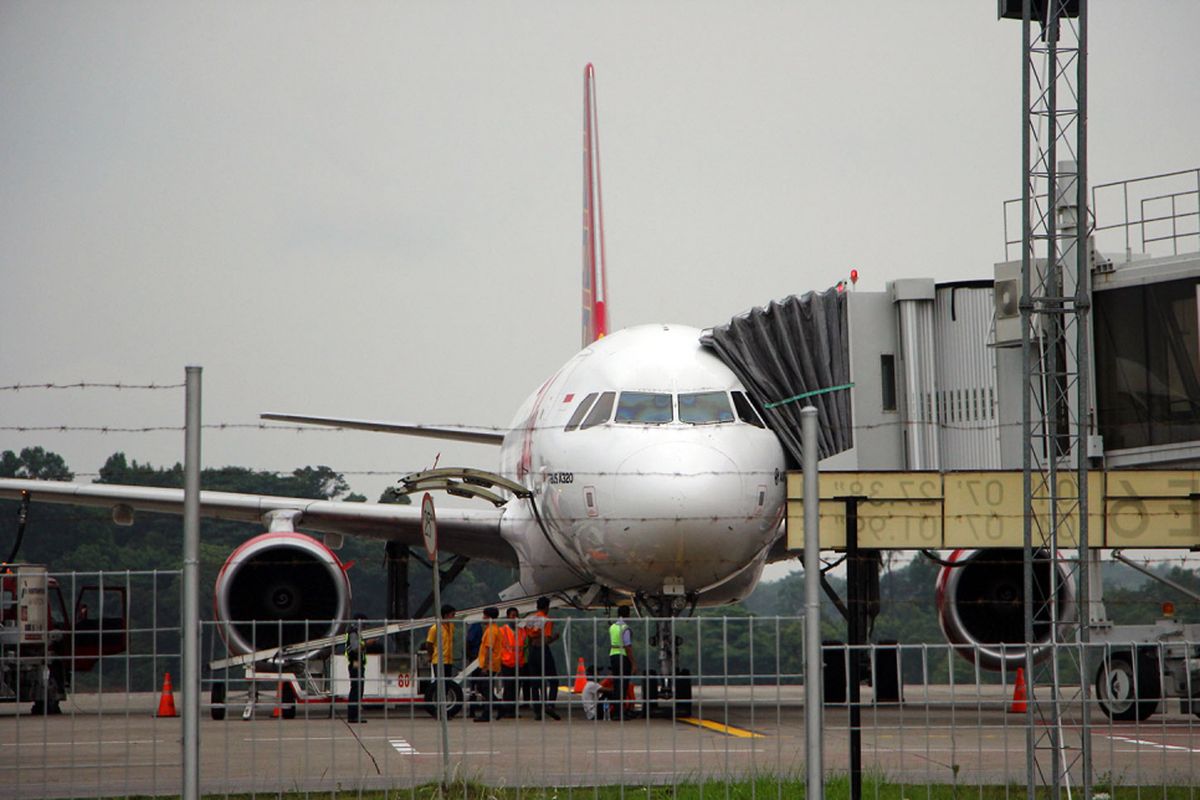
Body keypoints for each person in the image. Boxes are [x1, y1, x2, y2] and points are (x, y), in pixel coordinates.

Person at [522, 597, 561, 720]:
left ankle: (537, 711)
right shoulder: (546, 620)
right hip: (542, 650)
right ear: (546, 607)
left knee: (535, 682)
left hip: (532, 651)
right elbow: (547, 639)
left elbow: (527, 636)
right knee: (553, 680)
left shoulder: (529, 619)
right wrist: (555, 637)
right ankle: (550, 705)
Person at [473, 606, 502, 722]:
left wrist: (485, 667)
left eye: (484, 615)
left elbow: (489, 649)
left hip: (489, 664)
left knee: (485, 689)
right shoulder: (493, 629)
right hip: (491, 663)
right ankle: (500, 707)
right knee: (484, 688)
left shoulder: (491, 631)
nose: (483, 618)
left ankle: (487, 714)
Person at [608, 605, 637, 720]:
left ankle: (616, 712)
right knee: (623, 685)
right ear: (628, 615)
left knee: (616, 684)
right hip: (623, 657)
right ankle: (620, 712)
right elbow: (627, 646)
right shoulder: (625, 628)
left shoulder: (613, 627)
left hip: (613, 655)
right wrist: (633, 663)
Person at [497, 606, 526, 719]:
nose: (515, 618)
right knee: (508, 687)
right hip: (506, 663)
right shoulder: (502, 631)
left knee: (516, 688)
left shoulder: (521, 631)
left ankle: (512, 710)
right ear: (508, 617)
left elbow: (523, 647)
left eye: (516, 616)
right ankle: (507, 710)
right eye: (513, 616)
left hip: (518, 663)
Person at [345, 612, 369, 723]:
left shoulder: (355, 632)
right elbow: (355, 648)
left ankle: (354, 714)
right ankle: (353, 715)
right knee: (356, 689)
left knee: (358, 689)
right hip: (355, 664)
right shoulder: (354, 633)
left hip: (357, 663)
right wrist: (367, 644)